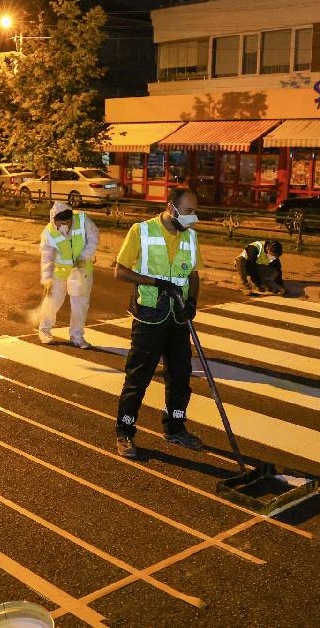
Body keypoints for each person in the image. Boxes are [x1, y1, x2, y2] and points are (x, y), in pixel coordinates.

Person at [112, 188, 204, 458]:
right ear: (171, 208)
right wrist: (155, 283)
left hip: (178, 318)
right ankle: (125, 431)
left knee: (180, 377)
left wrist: (192, 302)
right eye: (188, 212)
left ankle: (175, 427)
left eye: (194, 211)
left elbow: (194, 274)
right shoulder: (141, 231)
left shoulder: (191, 237)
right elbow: (121, 272)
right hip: (150, 316)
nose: (192, 217)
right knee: (138, 378)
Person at [38, 201, 99, 348]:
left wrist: (84, 258)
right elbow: (46, 257)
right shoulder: (49, 232)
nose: (63, 227)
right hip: (59, 273)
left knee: (80, 305)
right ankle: (44, 330)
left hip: (81, 272)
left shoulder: (83, 220)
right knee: (52, 302)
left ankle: (77, 336)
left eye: (66, 223)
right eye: (60, 223)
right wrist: (47, 280)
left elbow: (93, 239)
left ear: (71, 219)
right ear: (54, 220)